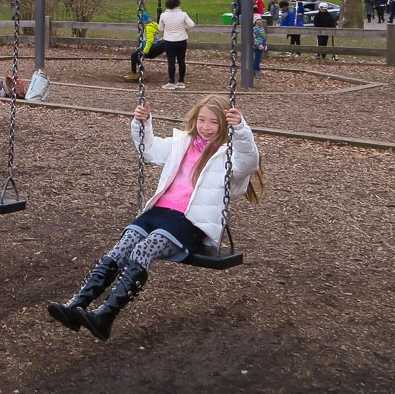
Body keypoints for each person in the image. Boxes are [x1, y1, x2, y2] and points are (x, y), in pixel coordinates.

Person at [47, 95, 262, 341]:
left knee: (145, 248)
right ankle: (77, 304)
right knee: (124, 245)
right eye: (202, 119)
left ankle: (105, 315)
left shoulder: (228, 155)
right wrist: (143, 123)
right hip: (159, 212)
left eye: (214, 122)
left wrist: (241, 129)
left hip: (190, 222)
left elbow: (249, 162)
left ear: (225, 125)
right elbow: (148, 150)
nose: (206, 127)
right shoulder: (182, 142)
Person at [158, 0, 194, 89]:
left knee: (171, 61)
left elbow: (160, 28)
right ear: (178, 5)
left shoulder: (163, 15)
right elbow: (191, 24)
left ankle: (171, 81)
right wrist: (184, 29)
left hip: (169, 41)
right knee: (181, 60)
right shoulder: (183, 14)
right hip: (181, 39)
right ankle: (181, 81)